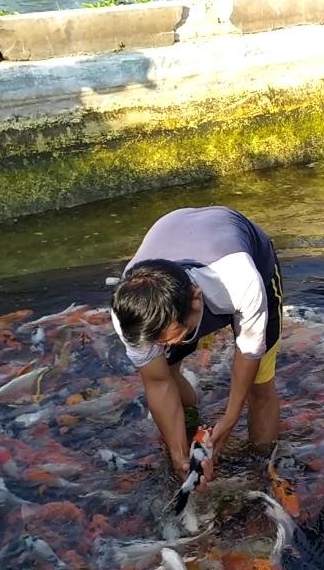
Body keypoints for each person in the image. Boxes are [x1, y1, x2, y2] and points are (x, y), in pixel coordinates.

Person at [110, 206, 284, 487]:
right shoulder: (130, 312)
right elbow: (158, 383)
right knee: (165, 370)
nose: (166, 346)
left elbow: (249, 351)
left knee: (259, 384)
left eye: (174, 337)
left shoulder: (240, 281)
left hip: (244, 258)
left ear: (196, 299)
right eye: (159, 342)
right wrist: (179, 456)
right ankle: (190, 427)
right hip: (175, 234)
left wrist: (230, 418)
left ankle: (263, 471)